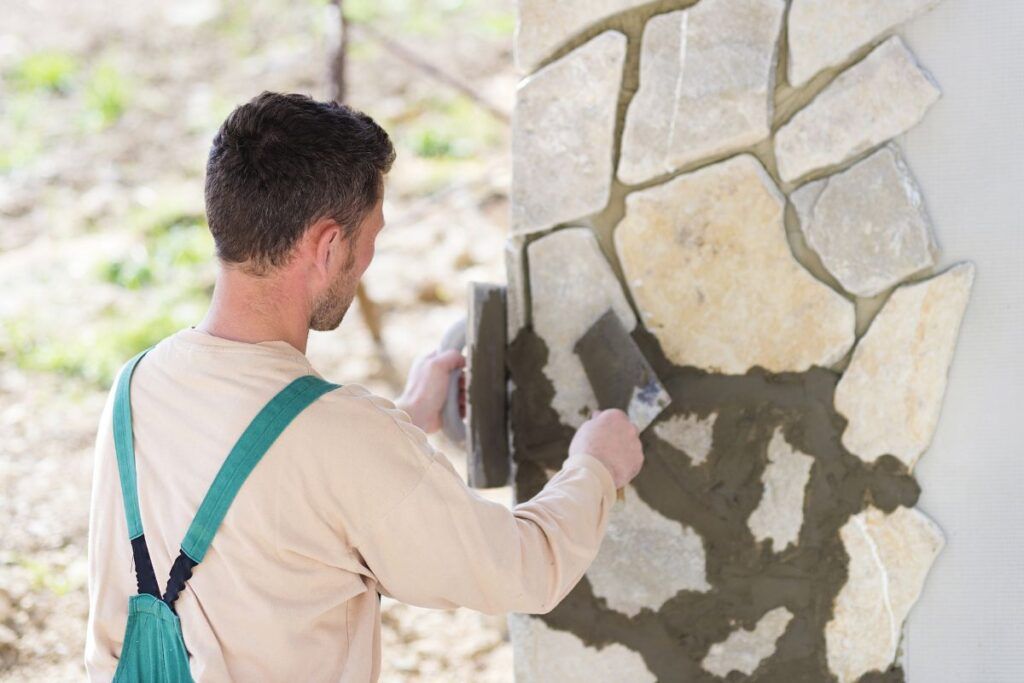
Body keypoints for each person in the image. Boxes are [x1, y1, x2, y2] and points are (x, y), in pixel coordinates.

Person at [85, 92, 644, 682]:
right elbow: (524, 570)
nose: (369, 258)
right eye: (370, 236)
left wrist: (403, 419)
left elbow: (276, 495)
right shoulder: (339, 438)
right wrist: (595, 466)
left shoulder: (136, 384)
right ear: (328, 246)